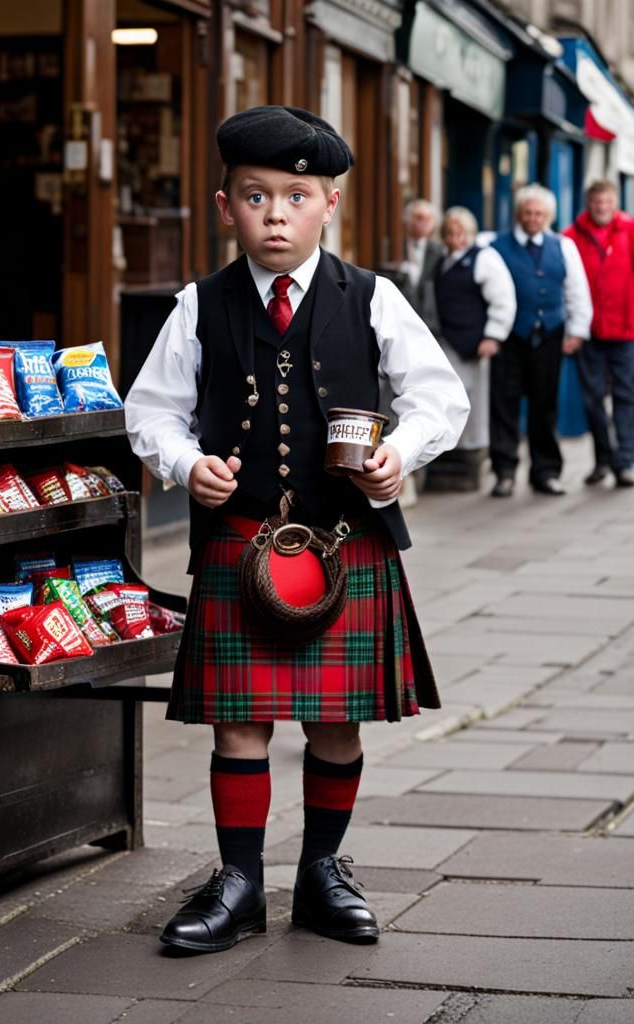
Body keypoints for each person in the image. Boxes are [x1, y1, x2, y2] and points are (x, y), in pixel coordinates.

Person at [124, 106, 469, 953]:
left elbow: (441, 399)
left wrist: (400, 452)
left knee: (336, 719)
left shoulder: (374, 297)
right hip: (241, 543)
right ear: (224, 205)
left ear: (330, 205)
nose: (276, 214)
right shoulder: (197, 306)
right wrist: (182, 464)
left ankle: (322, 872)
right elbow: (150, 411)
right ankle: (239, 883)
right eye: (256, 196)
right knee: (238, 722)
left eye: (296, 196)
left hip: (345, 546)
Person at [488, 184, 592, 497]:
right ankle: (504, 472)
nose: (533, 218)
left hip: (550, 335)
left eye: (539, 213)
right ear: (519, 214)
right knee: (503, 405)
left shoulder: (563, 246)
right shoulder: (495, 246)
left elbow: (576, 290)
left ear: (548, 216)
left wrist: (577, 330)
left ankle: (545, 472)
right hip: (509, 337)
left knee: (544, 405)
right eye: (528, 212)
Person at [563, 180, 634, 487]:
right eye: (596, 203)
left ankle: (625, 461)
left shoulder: (630, 230)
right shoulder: (571, 236)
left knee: (625, 397)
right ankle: (603, 459)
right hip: (589, 334)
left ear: (614, 202)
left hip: (626, 330)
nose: (602, 208)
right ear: (588, 204)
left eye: (606, 202)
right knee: (592, 400)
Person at [433, 206, 517, 456]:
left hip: (474, 342)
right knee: (448, 394)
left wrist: (493, 336)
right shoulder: (442, 261)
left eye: (462, 233)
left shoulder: (485, 258)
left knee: (473, 399)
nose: (456, 238)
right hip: (447, 340)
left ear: (471, 233)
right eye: (450, 233)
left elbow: (503, 299)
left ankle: (471, 449)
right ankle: (450, 447)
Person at [400, 198, 444, 329]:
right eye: (419, 217)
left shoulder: (439, 251)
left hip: (429, 323)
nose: (424, 223)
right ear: (408, 220)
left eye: (429, 218)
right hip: (402, 318)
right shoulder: (395, 248)